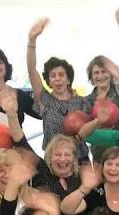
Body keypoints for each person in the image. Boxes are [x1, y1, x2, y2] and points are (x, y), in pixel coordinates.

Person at [27, 18, 90, 150]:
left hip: (79, 158)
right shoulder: (45, 99)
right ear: (49, 81)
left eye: (61, 75)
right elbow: (32, 70)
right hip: (53, 159)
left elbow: (90, 130)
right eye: (53, 76)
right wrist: (32, 40)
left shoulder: (81, 102)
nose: (57, 79)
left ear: (68, 80)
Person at [83, 8, 119, 127]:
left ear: (111, 74)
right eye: (96, 73)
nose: (100, 76)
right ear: (91, 77)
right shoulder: (87, 101)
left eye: (104, 71)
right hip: (98, 146)